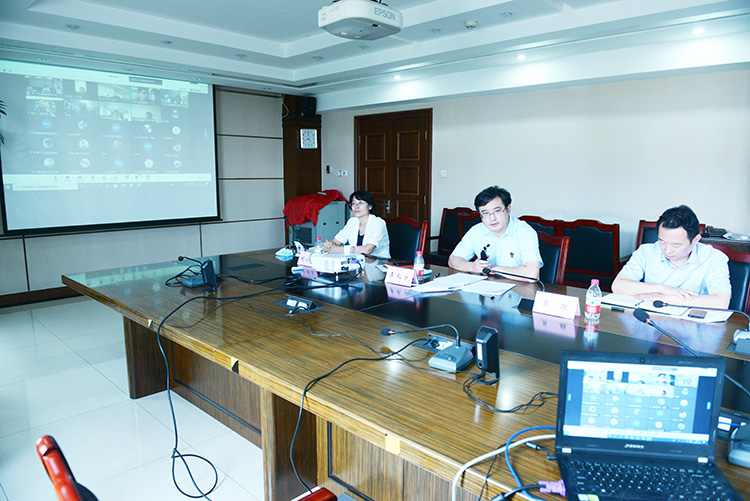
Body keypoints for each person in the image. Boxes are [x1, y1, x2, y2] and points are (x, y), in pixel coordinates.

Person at [612, 205, 730, 308]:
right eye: (662, 241)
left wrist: (663, 298)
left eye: (676, 245)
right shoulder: (646, 252)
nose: (667, 250)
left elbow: (721, 302)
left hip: (692, 321)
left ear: (695, 240)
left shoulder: (713, 258)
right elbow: (618, 286)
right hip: (651, 316)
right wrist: (662, 289)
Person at [448, 186, 541, 280]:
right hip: (487, 285)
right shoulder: (476, 230)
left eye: (497, 211)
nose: (492, 218)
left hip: (519, 287)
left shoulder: (524, 232)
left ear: (508, 209)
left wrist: (492, 269)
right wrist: (473, 267)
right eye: (485, 213)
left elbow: (532, 274)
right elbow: (453, 260)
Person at [322, 190, 390, 259]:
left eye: (361, 203)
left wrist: (337, 249)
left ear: (370, 206)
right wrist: (329, 245)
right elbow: (336, 241)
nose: (356, 206)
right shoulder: (352, 221)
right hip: (357, 261)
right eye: (353, 203)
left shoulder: (378, 223)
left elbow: (367, 250)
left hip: (379, 262)